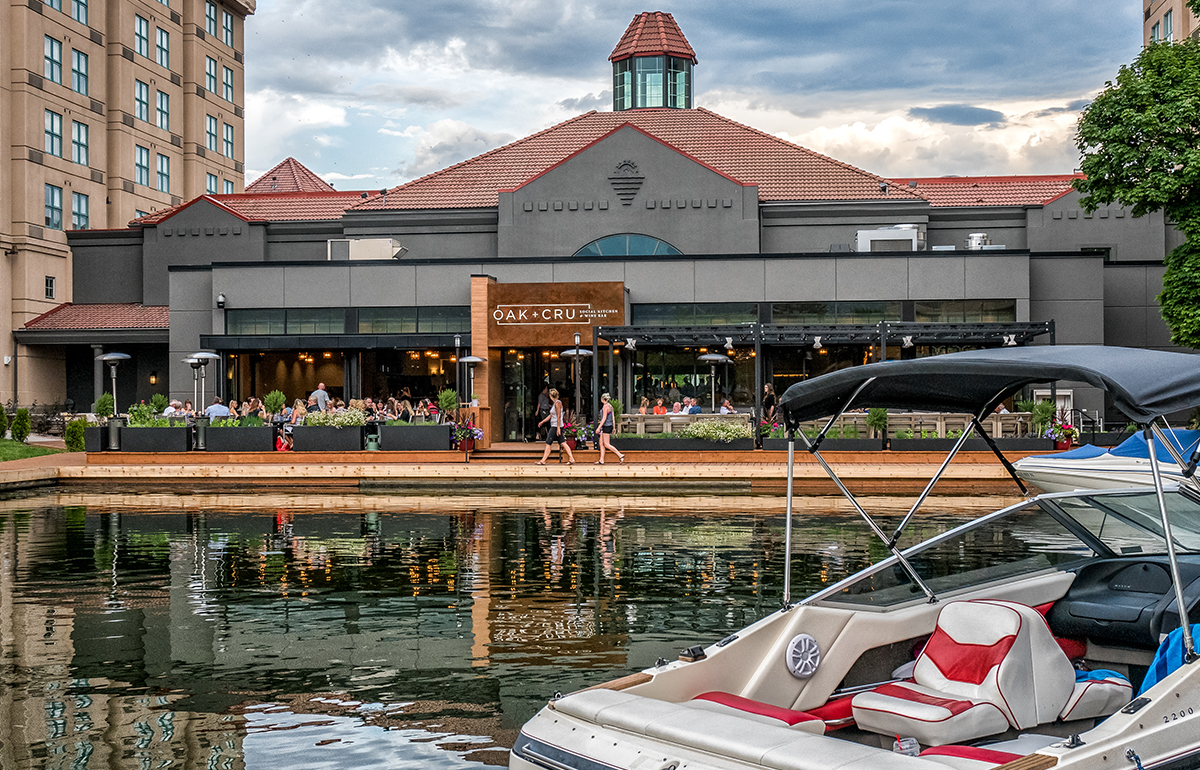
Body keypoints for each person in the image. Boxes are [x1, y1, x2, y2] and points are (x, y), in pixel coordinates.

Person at [536, 388, 575, 465]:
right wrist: (542, 422)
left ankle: (543, 460)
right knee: (563, 442)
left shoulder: (557, 403)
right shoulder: (555, 403)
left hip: (555, 426)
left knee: (548, 442)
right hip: (556, 426)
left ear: (551, 396)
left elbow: (558, 416)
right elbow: (551, 415)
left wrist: (558, 428)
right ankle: (571, 458)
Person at [595, 393, 625, 465]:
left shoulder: (605, 406)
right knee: (601, 443)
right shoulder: (610, 406)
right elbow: (613, 417)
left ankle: (620, 455)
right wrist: (614, 427)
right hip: (609, 425)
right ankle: (601, 460)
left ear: (602, 399)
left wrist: (598, 428)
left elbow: (604, 418)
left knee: (606, 444)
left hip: (606, 426)